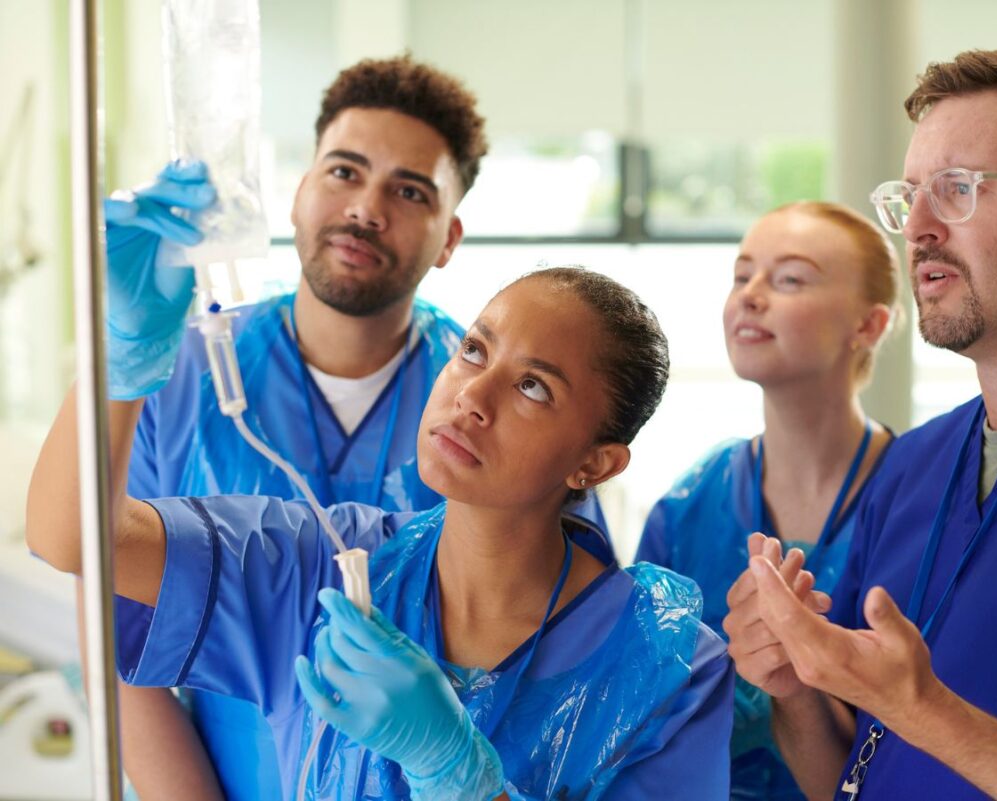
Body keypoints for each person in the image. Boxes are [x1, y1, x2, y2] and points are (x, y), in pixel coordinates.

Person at [28, 263, 734, 799]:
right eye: (477, 352)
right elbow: (73, 538)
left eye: (532, 387)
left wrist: (459, 773)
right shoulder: (316, 570)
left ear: (595, 462)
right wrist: (119, 358)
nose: (472, 397)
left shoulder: (668, 666)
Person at [109, 55, 488, 801]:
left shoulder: (484, 404)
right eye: (344, 172)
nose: (367, 208)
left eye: (409, 191)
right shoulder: (177, 377)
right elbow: (122, 646)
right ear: (298, 191)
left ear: (449, 238)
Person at [723, 48, 997, 800]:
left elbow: (917, 719)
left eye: (958, 189)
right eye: (908, 196)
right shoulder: (914, 468)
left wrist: (926, 710)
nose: (916, 227)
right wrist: (796, 684)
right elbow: (848, 776)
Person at [636, 201, 897, 799]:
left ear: (869, 326)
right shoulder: (688, 505)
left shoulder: (922, 499)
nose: (750, 296)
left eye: (789, 279)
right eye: (741, 275)